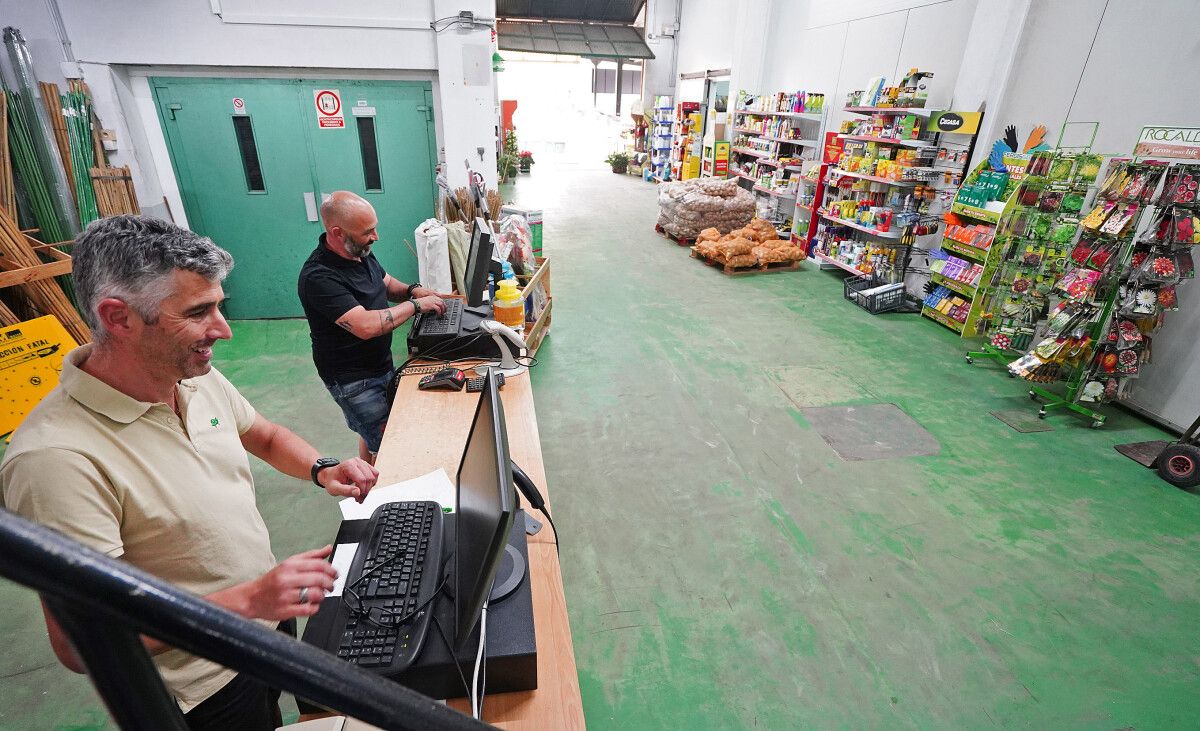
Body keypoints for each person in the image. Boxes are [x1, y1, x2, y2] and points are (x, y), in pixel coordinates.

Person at [0, 215, 379, 730]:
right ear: (118, 316)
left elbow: (261, 434)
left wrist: (321, 468)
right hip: (201, 683)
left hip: (262, 625)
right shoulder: (55, 459)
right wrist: (247, 600)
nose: (222, 329)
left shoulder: (188, 375)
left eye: (218, 306)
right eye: (198, 312)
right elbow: (82, 638)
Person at [298, 191, 446, 464]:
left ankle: (367, 489)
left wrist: (414, 290)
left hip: (379, 364)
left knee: (374, 434)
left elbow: (386, 283)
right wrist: (415, 306)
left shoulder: (359, 252)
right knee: (388, 445)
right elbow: (365, 326)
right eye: (368, 231)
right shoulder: (319, 277)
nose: (376, 236)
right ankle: (384, 499)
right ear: (338, 233)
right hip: (354, 379)